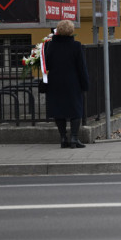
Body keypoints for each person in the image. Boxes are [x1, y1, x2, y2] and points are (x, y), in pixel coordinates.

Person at [44, 19, 89, 148]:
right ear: (71, 31)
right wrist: (85, 83)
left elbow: (47, 64)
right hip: (72, 82)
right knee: (76, 109)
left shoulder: (50, 45)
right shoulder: (76, 46)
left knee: (59, 109)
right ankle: (74, 137)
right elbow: (81, 67)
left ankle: (63, 138)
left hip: (55, 81)